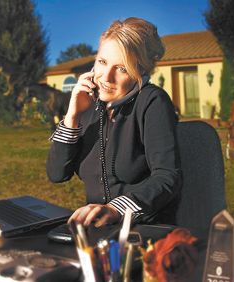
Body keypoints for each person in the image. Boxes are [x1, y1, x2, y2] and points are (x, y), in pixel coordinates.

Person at [46, 17, 181, 228]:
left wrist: (116, 209)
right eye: (102, 62)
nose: (106, 77)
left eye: (122, 68)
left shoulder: (152, 101)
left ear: (141, 71)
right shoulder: (89, 104)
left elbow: (167, 177)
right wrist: (72, 116)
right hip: (98, 229)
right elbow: (57, 174)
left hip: (144, 228)